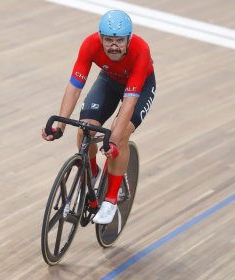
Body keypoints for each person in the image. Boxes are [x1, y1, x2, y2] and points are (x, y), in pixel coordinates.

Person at [42, 10, 156, 224]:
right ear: (100, 38)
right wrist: (59, 126)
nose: (114, 45)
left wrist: (113, 140)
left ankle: (111, 200)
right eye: (109, 40)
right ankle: (92, 171)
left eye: (120, 40)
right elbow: (75, 87)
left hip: (139, 88)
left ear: (129, 39)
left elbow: (130, 101)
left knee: (118, 136)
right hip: (109, 81)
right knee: (85, 127)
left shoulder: (141, 50)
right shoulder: (90, 45)